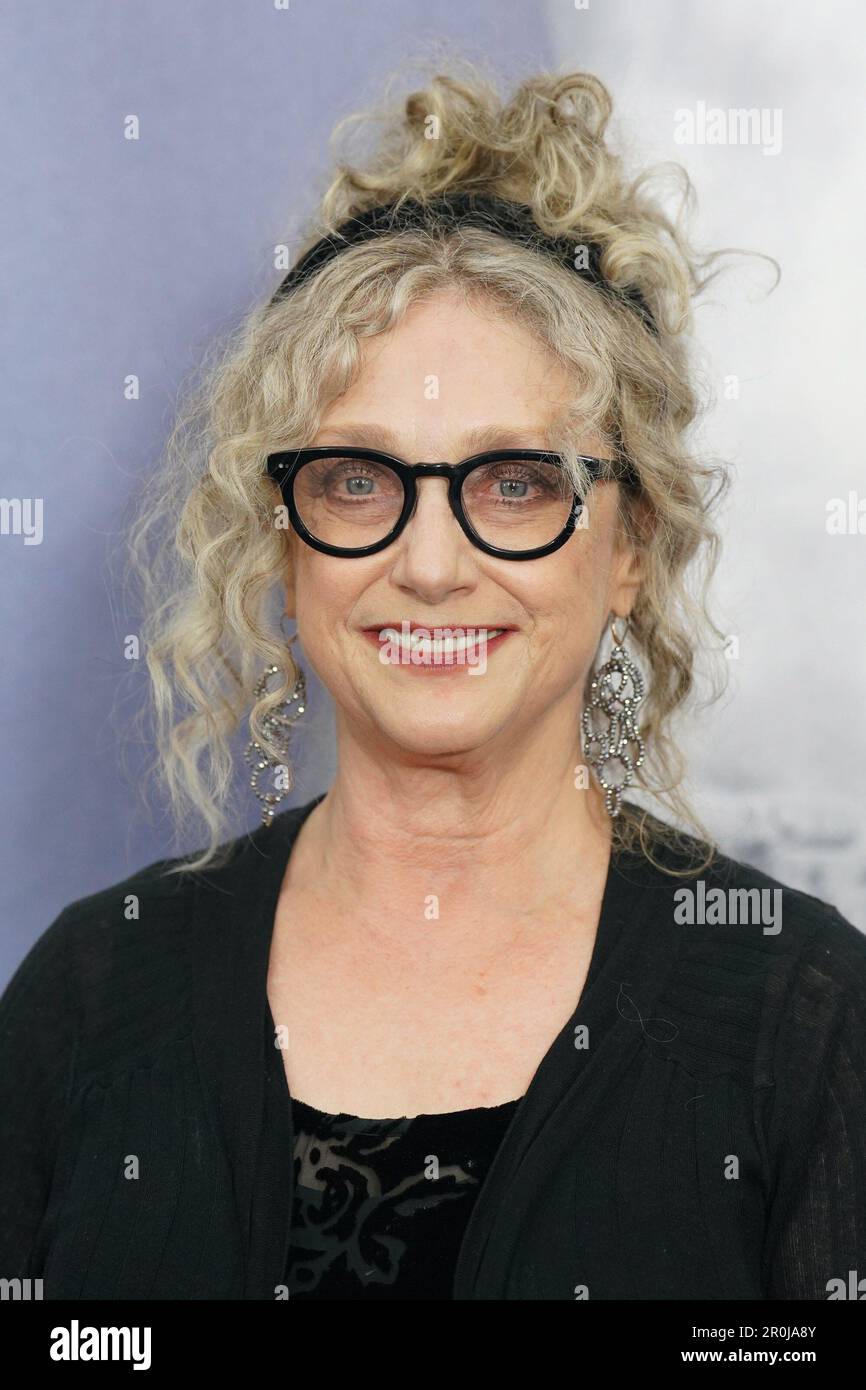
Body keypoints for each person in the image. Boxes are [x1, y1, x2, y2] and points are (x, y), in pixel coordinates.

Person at [2, 62, 864, 1302]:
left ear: (627, 546)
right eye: (356, 479)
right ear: (281, 540)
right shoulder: (91, 993)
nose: (427, 563)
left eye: (513, 482)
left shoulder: (803, 1015)